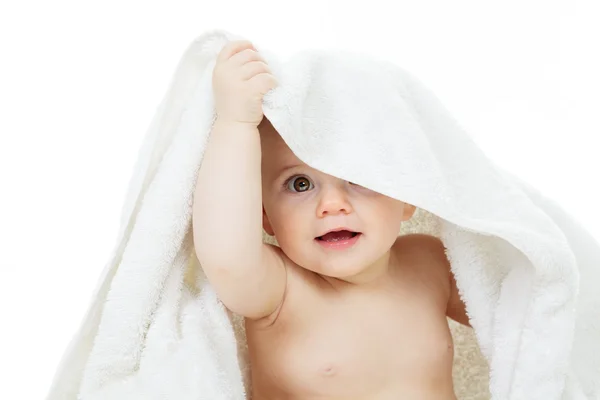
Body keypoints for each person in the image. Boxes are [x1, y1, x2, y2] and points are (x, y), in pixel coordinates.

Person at [193, 39, 471, 400]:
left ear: (406, 197)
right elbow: (226, 256)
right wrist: (235, 123)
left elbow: (514, 310)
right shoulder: (279, 290)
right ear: (265, 217)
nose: (332, 204)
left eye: (358, 178)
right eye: (300, 184)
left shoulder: (430, 264)